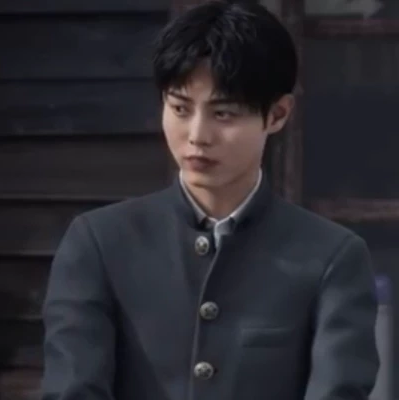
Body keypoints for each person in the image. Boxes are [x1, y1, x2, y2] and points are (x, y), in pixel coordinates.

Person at [41, 1, 379, 399]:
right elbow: (73, 388)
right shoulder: (99, 243)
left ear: (277, 114)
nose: (197, 135)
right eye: (180, 108)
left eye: (223, 114)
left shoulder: (331, 258)